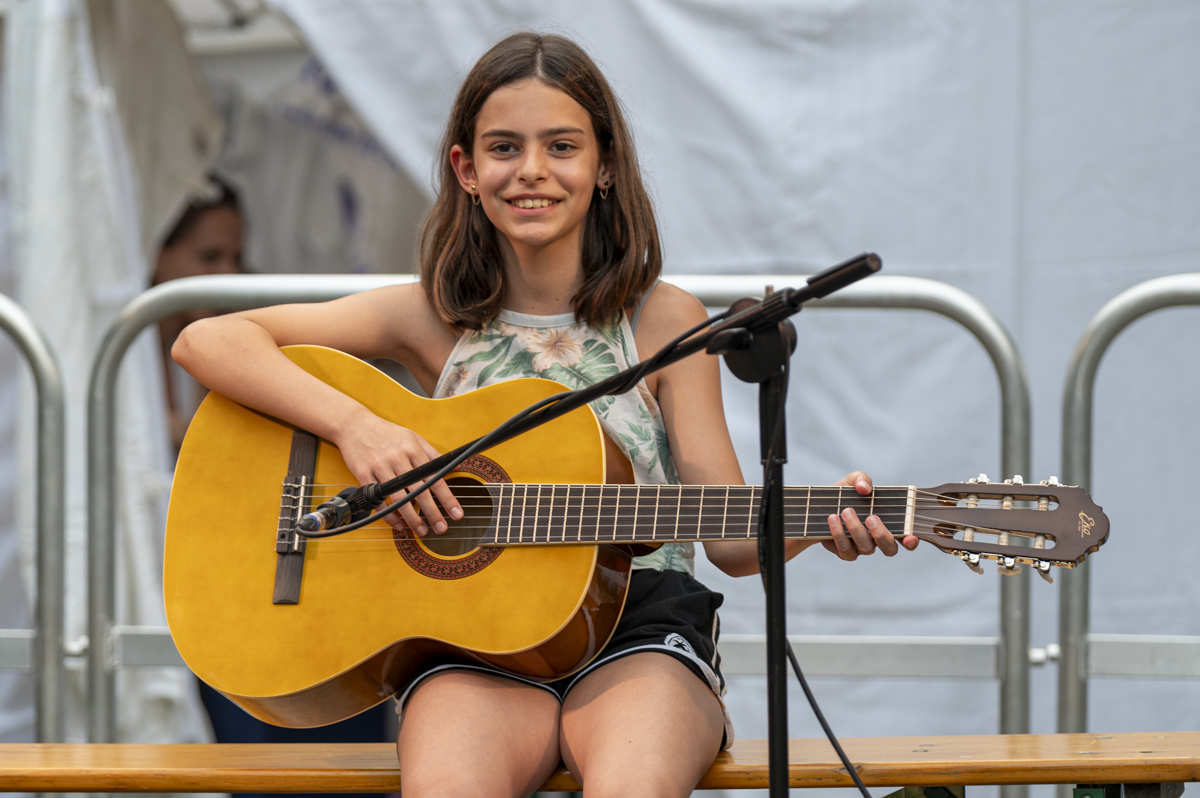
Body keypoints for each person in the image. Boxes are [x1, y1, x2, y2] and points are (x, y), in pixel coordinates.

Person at [172, 32, 918, 798]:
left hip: (639, 631)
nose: (532, 170)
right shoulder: (431, 317)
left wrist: (822, 523)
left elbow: (729, 539)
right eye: (504, 147)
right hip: (471, 640)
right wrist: (357, 427)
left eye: (562, 146)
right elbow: (208, 341)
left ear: (605, 166)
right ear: (466, 169)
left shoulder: (665, 321)